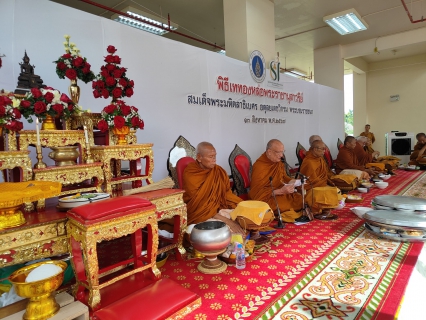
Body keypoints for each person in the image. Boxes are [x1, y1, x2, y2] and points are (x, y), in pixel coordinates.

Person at [183, 142, 244, 234]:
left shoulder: (219, 171)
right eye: (211, 157)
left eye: (215, 156)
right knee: (225, 230)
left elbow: (227, 194)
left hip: (221, 208)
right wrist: (228, 221)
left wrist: (242, 206)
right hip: (201, 214)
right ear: (199, 158)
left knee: (249, 215)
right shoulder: (191, 174)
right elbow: (201, 206)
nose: (214, 160)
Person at [249, 139, 303, 222]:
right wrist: (280, 191)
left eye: (283, 152)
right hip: (267, 197)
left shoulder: (277, 163)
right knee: (284, 205)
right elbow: (257, 194)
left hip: (281, 192)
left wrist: (295, 182)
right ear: (269, 151)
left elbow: (284, 177)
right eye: (279, 152)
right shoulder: (260, 167)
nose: (281, 155)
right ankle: (280, 214)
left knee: (301, 199)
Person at [299, 140, 350, 215]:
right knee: (334, 192)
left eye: (325, 148)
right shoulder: (309, 161)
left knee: (336, 191)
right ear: (315, 149)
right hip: (311, 188)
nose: (324, 151)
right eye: (322, 149)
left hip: (321, 184)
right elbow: (309, 182)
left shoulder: (320, 158)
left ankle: (327, 206)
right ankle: (323, 207)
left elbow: (324, 174)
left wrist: (327, 181)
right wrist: (324, 183)